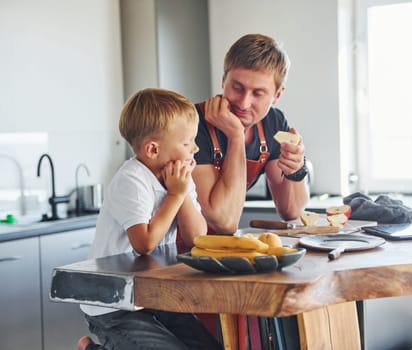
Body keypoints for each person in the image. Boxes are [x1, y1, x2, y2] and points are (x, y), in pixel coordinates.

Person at [77, 88, 222, 350]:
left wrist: (182, 192)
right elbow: (144, 244)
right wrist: (176, 195)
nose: (196, 148)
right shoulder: (131, 179)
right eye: (187, 142)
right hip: (112, 304)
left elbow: (198, 238)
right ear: (153, 149)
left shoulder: (178, 179)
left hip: (153, 295)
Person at [193, 33, 310, 234]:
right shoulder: (193, 123)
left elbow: (290, 211)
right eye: (237, 88)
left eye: (257, 93)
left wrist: (296, 170)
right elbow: (223, 220)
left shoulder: (273, 123)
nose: (243, 103)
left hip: (218, 248)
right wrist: (236, 136)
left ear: (277, 95)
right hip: (170, 248)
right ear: (223, 81)